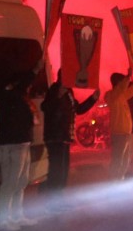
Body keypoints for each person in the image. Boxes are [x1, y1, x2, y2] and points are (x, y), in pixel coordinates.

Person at [0, 52, 46, 230]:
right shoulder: (6, 95)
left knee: (21, 182)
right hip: (11, 145)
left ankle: (17, 215)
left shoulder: (18, 97)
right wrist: (35, 70)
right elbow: (22, 85)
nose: (27, 88)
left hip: (23, 144)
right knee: (10, 182)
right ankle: (4, 219)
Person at [40, 71, 100, 209]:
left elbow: (78, 109)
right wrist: (57, 97)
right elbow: (45, 107)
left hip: (65, 136)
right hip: (55, 137)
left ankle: (58, 200)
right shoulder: (55, 89)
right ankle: (52, 203)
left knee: (63, 170)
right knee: (57, 170)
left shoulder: (69, 92)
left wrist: (92, 99)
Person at [104, 68, 133, 180]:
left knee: (125, 160)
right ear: (118, 83)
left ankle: (119, 180)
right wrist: (128, 77)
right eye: (122, 81)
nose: (126, 84)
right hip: (118, 133)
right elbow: (120, 90)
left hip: (126, 133)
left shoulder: (122, 96)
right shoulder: (110, 96)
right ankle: (113, 182)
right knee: (118, 160)